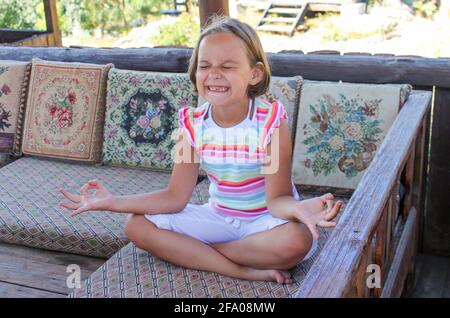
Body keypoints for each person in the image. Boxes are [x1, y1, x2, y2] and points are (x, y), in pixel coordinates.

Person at [59, 16, 342, 284]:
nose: (214, 75)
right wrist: (112, 202)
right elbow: (174, 197)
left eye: (228, 66)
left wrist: (298, 208)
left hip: (265, 221)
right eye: (205, 66)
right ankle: (241, 270)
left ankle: (197, 252)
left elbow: (277, 200)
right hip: (218, 217)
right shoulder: (191, 126)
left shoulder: (271, 123)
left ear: (254, 73)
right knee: (136, 226)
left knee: (296, 240)